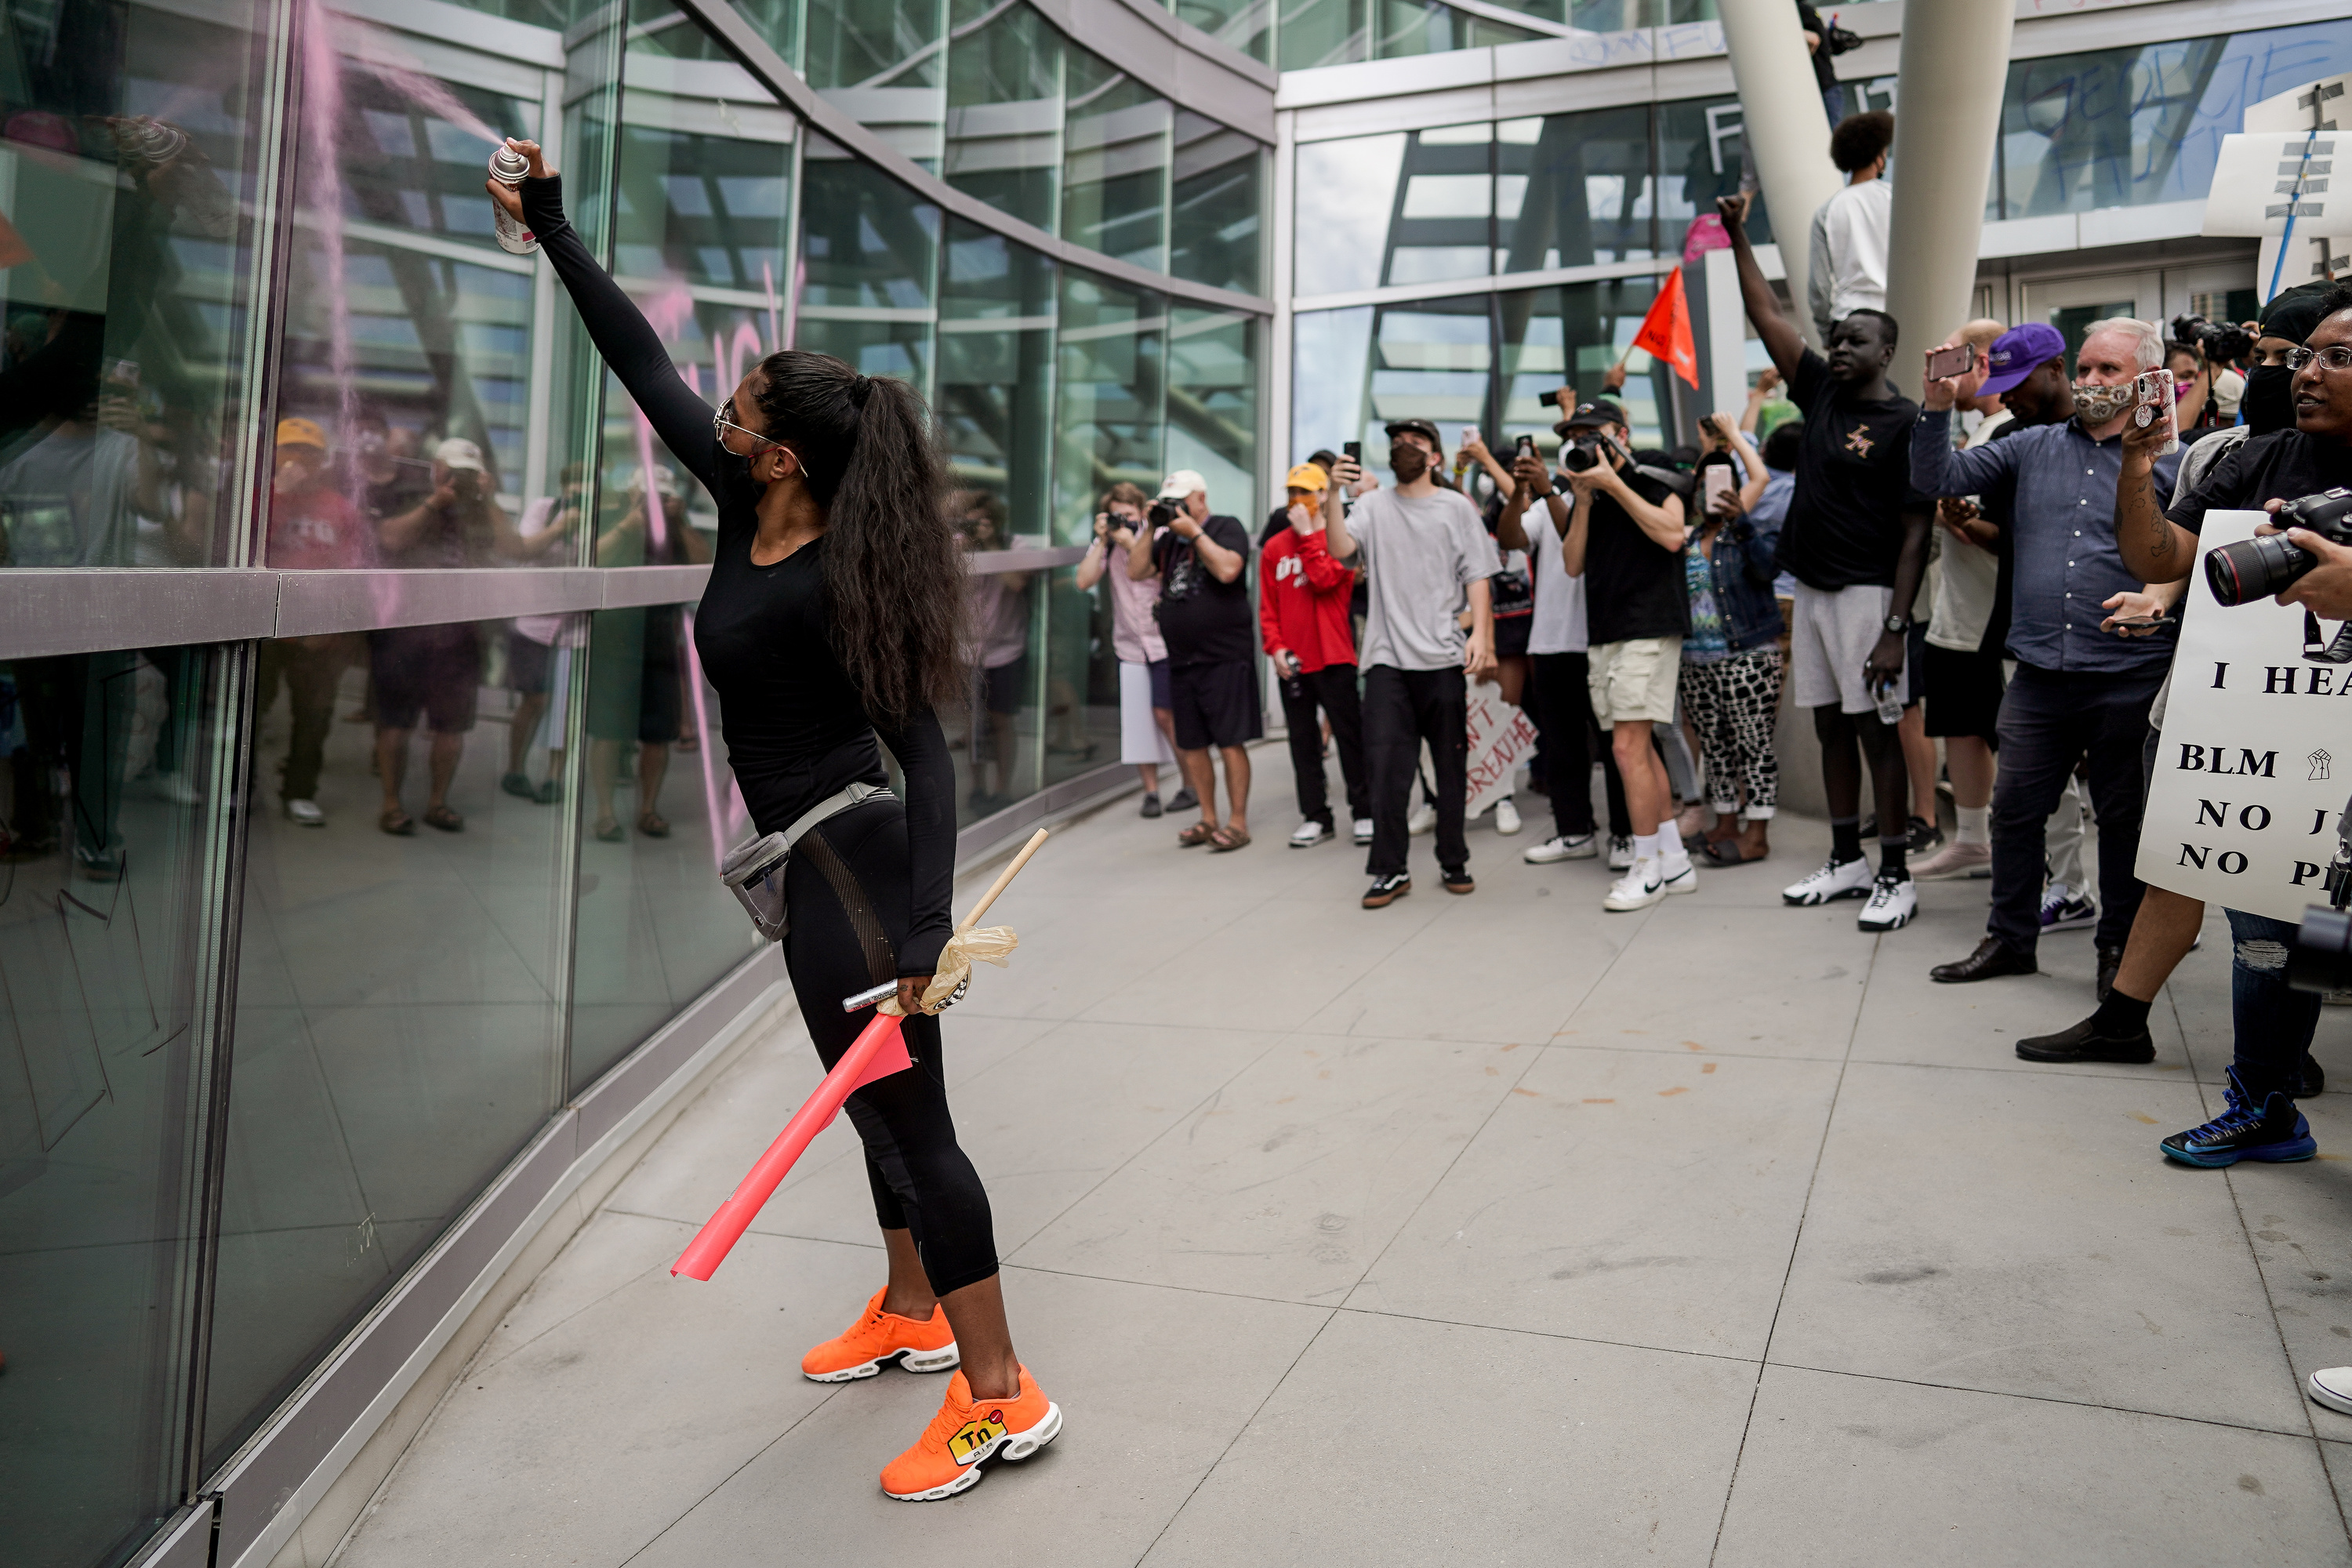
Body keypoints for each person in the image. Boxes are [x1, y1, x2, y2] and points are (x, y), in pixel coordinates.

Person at [495, 139, 1057, 1501]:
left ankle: (1005, 1394)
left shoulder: (833, 580)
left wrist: (927, 922)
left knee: (917, 1128)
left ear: (790, 452)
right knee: (873, 1115)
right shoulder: (747, 500)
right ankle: (911, 1310)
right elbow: (645, 367)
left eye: (742, 417)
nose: (720, 423)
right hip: (806, 868)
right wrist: (557, 229)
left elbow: (925, 754)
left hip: (856, 871)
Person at [2045, 282, 2352, 1178]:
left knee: (2322, 933)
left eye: (2336, 357)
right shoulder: (2252, 460)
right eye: (2301, 357)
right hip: (2277, 750)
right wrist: (2140, 467)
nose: (2307, 374)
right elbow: (2156, 560)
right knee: (2272, 927)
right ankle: (2264, 1101)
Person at [1911, 318, 2181, 996]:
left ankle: (2117, 951)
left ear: (2146, 378)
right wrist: (1939, 402)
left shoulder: (2177, 460)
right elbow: (1934, 476)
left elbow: (2196, 555)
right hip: (2038, 673)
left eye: (2107, 371)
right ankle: (2009, 940)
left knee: (2123, 821)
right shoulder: (2027, 446)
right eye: (2086, 369)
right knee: (2015, 810)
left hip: (2130, 673)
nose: (2091, 382)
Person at [1719, 191, 1933, 935]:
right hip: (1809, 594)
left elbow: (1916, 536)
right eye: (1836, 338)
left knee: (1878, 732)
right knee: (1830, 731)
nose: (1839, 348)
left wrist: (1895, 629)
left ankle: (1897, 874)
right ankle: (1847, 861)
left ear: (1887, 353)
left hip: (1870, 600)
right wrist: (1738, 233)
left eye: (1856, 340)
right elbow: (1767, 316)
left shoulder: (1906, 423)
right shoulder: (1819, 395)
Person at [1323, 419, 1497, 907]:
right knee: (1386, 771)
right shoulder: (1373, 506)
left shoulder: (1456, 507)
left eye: (1416, 443)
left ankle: (1453, 859)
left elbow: (1479, 575)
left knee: (1450, 768)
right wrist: (1333, 496)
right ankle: (1389, 870)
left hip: (1443, 658)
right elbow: (1341, 553)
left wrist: (1482, 635)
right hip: (1386, 661)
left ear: (1435, 458)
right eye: (1397, 442)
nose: (1404, 447)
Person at [1554, 400, 1694, 909]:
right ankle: (1673, 859)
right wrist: (1587, 500)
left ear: (1622, 434)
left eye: (1594, 433)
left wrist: (1616, 483)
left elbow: (1673, 534)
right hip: (1605, 632)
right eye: (1576, 436)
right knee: (1638, 748)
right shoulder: (1587, 492)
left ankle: (1645, 868)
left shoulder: (1655, 470)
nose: (1584, 443)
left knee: (1626, 750)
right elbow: (1572, 564)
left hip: (1649, 625)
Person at [1909, 319, 2022, 883]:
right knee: (1961, 730)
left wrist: (1962, 521)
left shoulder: (2013, 432)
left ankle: (2034, 854)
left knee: (2013, 740)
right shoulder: (1974, 432)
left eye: (1958, 360)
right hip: (1955, 615)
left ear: (1986, 364)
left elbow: (2009, 535)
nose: (1948, 372)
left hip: (1995, 621)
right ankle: (1973, 840)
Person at [367, 437, 516, 836]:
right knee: (395, 722)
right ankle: (391, 803)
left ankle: (438, 802)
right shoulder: (409, 496)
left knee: (451, 727)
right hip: (405, 631)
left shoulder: (482, 512)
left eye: (467, 474)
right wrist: (437, 501)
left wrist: (488, 501)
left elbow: (511, 548)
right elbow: (391, 539)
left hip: (460, 635)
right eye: (452, 471)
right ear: (436, 469)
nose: (459, 480)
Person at [1507, 434, 1635, 868]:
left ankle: (1625, 834)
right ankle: (1574, 832)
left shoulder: (1621, 503)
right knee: (1562, 746)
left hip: (1603, 640)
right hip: (1552, 641)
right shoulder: (1545, 505)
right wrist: (1519, 492)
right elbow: (1510, 539)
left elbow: (1578, 541)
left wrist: (1548, 491)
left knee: (1616, 745)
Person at [1128, 469, 1256, 850]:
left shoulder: (1224, 526)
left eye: (1184, 500)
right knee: (1194, 742)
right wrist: (1151, 529)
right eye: (1172, 502)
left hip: (1224, 656)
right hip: (1182, 659)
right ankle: (1208, 817)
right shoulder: (1167, 540)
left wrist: (1194, 534)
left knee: (1230, 740)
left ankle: (1237, 822)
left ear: (1200, 498)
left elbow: (1229, 569)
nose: (1179, 508)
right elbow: (1135, 571)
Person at [1682, 414, 1786, 867]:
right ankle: (1725, 822)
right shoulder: (1682, 539)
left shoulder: (1745, 534)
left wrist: (1741, 520)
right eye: (1703, 483)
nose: (1711, 491)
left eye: (1719, 482)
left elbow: (1769, 570)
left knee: (1753, 744)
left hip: (1747, 657)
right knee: (1716, 745)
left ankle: (1757, 833)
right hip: (1696, 662)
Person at [257, 418, 368, 826]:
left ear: (323, 461)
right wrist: (279, 495)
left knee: (314, 716)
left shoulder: (341, 508)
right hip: (264, 626)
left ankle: (301, 791)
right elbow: (244, 551)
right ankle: (239, 786)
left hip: (318, 632)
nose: (299, 458)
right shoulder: (258, 498)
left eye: (309, 452)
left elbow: (352, 573)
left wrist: (334, 625)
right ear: (275, 454)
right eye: (290, 448)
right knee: (251, 711)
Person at [1260, 462, 1370, 848]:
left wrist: (1309, 536)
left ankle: (1365, 812)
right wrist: (1274, 647)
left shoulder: (1340, 540)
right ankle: (1315, 816)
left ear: (1324, 495)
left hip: (1335, 656)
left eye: (1305, 492)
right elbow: (1267, 607)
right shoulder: (1274, 548)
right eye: (1292, 493)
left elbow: (1325, 581)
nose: (1297, 500)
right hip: (1295, 662)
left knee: (1350, 738)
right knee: (1303, 743)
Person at [1076, 481, 1177, 817]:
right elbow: (1083, 581)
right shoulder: (1107, 543)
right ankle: (1151, 792)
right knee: (1138, 721)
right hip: (1128, 644)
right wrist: (1103, 540)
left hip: (1163, 642)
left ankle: (1190, 781)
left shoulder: (1157, 538)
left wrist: (1132, 541)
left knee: (1167, 715)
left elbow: (1150, 572)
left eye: (1129, 514)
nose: (1124, 521)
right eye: (1117, 515)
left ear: (1141, 514)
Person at [1807, 112, 1893, 346]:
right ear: (1879, 156)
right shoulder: (1897, 200)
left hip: (1848, 318)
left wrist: (1828, 336)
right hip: (1894, 316)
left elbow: (1820, 287)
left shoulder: (1827, 211)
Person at [1795, 2, 1846, 125]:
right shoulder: (1807, 10)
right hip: (1827, 86)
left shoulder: (1798, 10)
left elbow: (1814, 40)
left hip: (1822, 88)